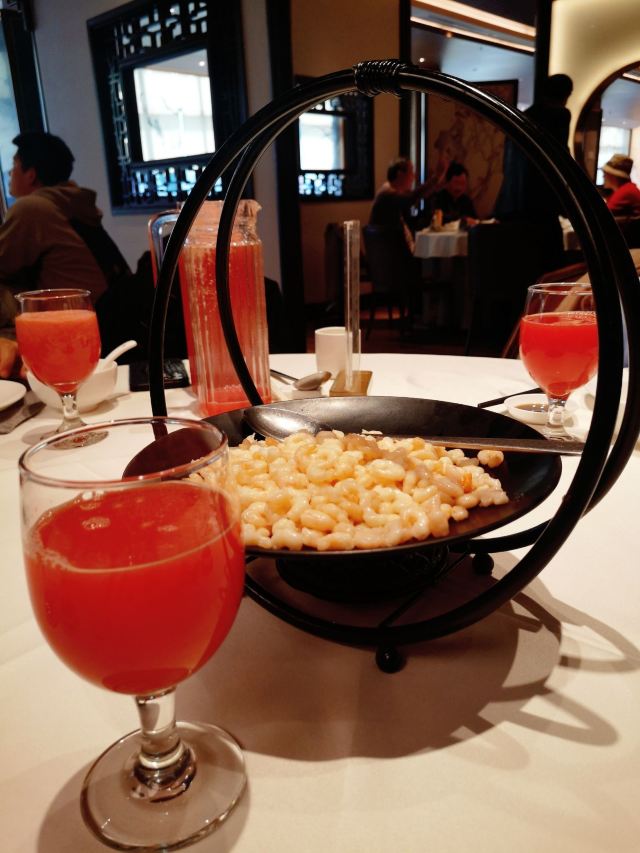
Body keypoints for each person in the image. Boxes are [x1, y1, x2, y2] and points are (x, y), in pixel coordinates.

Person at [0, 131, 129, 331]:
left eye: (14, 165)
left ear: (31, 174)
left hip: (78, 324)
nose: (9, 173)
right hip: (111, 316)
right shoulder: (71, 202)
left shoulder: (32, 208)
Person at [493, 73, 574, 273]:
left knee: (520, 270)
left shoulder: (521, 118)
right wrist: (570, 203)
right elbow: (560, 159)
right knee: (549, 270)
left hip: (512, 207)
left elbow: (507, 167)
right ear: (566, 95)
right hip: (540, 204)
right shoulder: (559, 115)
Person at [369, 156, 448, 245]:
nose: (414, 177)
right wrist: (436, 177)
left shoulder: (390, 193)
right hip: (390, 250)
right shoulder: (387, 194)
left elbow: (413, 197)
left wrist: (434, 187)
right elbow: (412, 197)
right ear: (400, 174)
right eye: (411, 172)